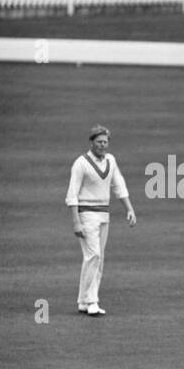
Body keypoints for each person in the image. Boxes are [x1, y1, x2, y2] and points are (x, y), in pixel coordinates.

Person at [66, 125, 136, 317]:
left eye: (105, 142)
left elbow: (118, 185)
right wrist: (76, 222)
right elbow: (72, 195)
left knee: (98, 258)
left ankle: (82, 300)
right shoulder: (80, 163)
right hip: (86, 214)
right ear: (92, 142)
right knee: (93, 255)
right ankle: (92, 301)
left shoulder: (111, 161)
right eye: (99, 142)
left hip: (104, 214)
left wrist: (129, 208)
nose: (102, 145)